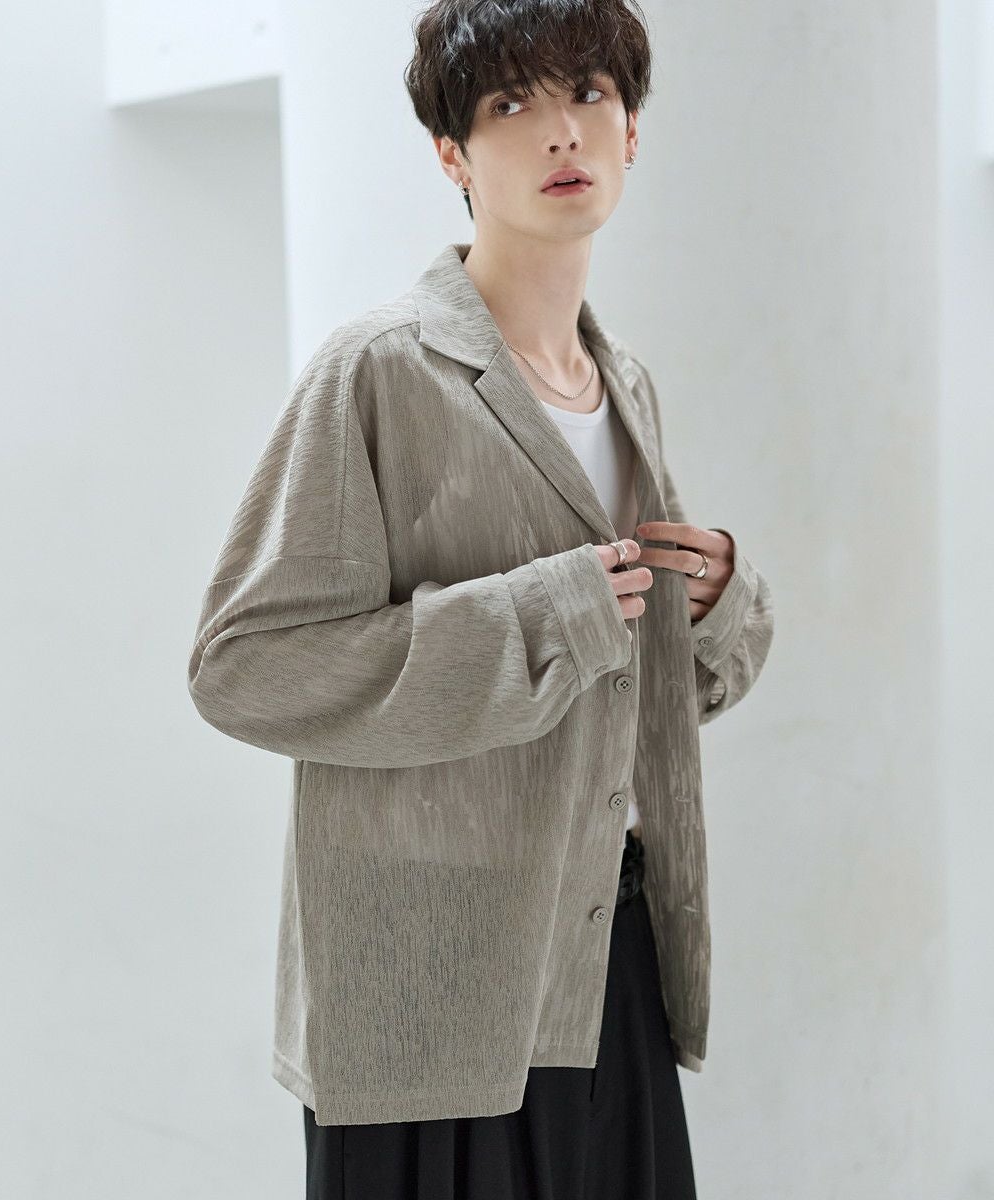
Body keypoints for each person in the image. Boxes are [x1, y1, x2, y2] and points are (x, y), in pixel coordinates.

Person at [187, 1, 774, 1196]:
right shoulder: (380, 370)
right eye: (511, 104)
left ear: (631, 132)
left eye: (589, 94)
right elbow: (243, 667)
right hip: (429, 987)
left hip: (608, 958)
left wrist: (715, 606)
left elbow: (628, 692)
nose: (561, 131)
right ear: (451, 155)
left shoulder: (625, 386)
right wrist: (535, 619)